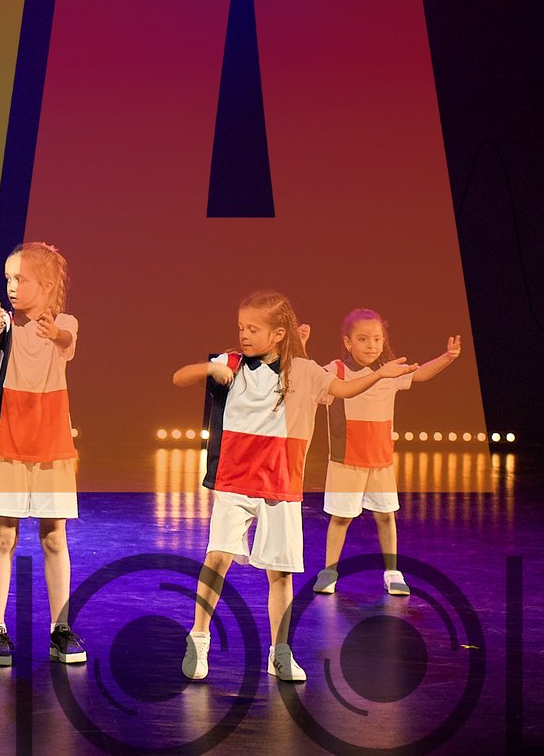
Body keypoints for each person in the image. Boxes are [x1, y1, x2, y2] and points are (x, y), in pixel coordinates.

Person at [172, 291, 415, 683]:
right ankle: (198, 637)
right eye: (241, 327)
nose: (244, 335)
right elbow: (179, 377)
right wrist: (208, 369)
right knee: (217, 557)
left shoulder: (304, 372)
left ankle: (280, 652)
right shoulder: (232, 362)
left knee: (280, 573)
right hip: (235, 482)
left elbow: (342, 390)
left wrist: (378, 375)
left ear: (278, 333)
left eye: (254, 329)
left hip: (281, 486)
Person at [0, 242, 85, 667]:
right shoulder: (7, 325)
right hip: (10, 443)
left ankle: (61, 629)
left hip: (52, 446)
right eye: (8, 278)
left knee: (54, 536)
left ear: (47, 285)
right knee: (4, 536)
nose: (11, 286)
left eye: (20, 279)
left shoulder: (65, 323)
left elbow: (66, 339)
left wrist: (53, 331)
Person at [313, 309, 461, 596]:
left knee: (386, 516)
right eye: (363, 339)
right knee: (341, 518)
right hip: (346, 461)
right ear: (347, 342)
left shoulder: (390, 371)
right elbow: (311, 379)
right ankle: (329, 571)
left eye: (377, 339)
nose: (371, 345)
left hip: (380, 462)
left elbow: (420, 374)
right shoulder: (336, 371)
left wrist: (448, 357)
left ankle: (392, 572)